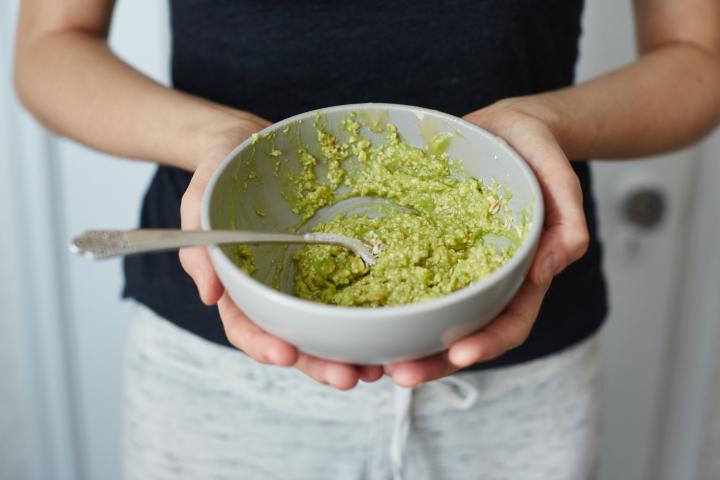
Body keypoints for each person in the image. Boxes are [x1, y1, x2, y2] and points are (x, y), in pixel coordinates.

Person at [14, 1, 720, 479]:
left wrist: (550, 122)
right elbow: (49, 49)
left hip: (519, 379)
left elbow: (697, 60)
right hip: (220, 380)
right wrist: (214, 143)